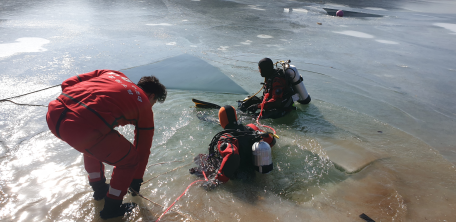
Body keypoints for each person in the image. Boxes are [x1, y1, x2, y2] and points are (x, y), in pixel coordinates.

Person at [46, 70, 166, 220]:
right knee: (131, 160)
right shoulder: (144, 105)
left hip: (55, 113)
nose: (151, 106)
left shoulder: (113, 74)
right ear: (151, 96)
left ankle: (99, 190)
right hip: (81, 129)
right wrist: (135, 182)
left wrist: (76, 106)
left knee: (93, 142)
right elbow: (142, 149)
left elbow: (67, 83)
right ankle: (112, 209)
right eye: (153, 103)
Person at [189, 105, 276, 189]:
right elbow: (272, 141)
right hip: (254, 171)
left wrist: (217, 181)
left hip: (240, 178)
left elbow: (232, 155)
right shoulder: (252, 128)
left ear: (221, 120)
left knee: (199, 158)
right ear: (235, 117)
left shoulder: (225, 138)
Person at [238, 58, 311, 119]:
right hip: (270, 102)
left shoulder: (277, 81)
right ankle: (237, 113)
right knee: (249, 99)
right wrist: (256, 104)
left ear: (264, 69)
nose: (259, 71)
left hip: (281, 108)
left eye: (260, 69)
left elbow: (276, 101)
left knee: (256, 117)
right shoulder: (270, 76)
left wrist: (257, 106)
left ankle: (246, 119)